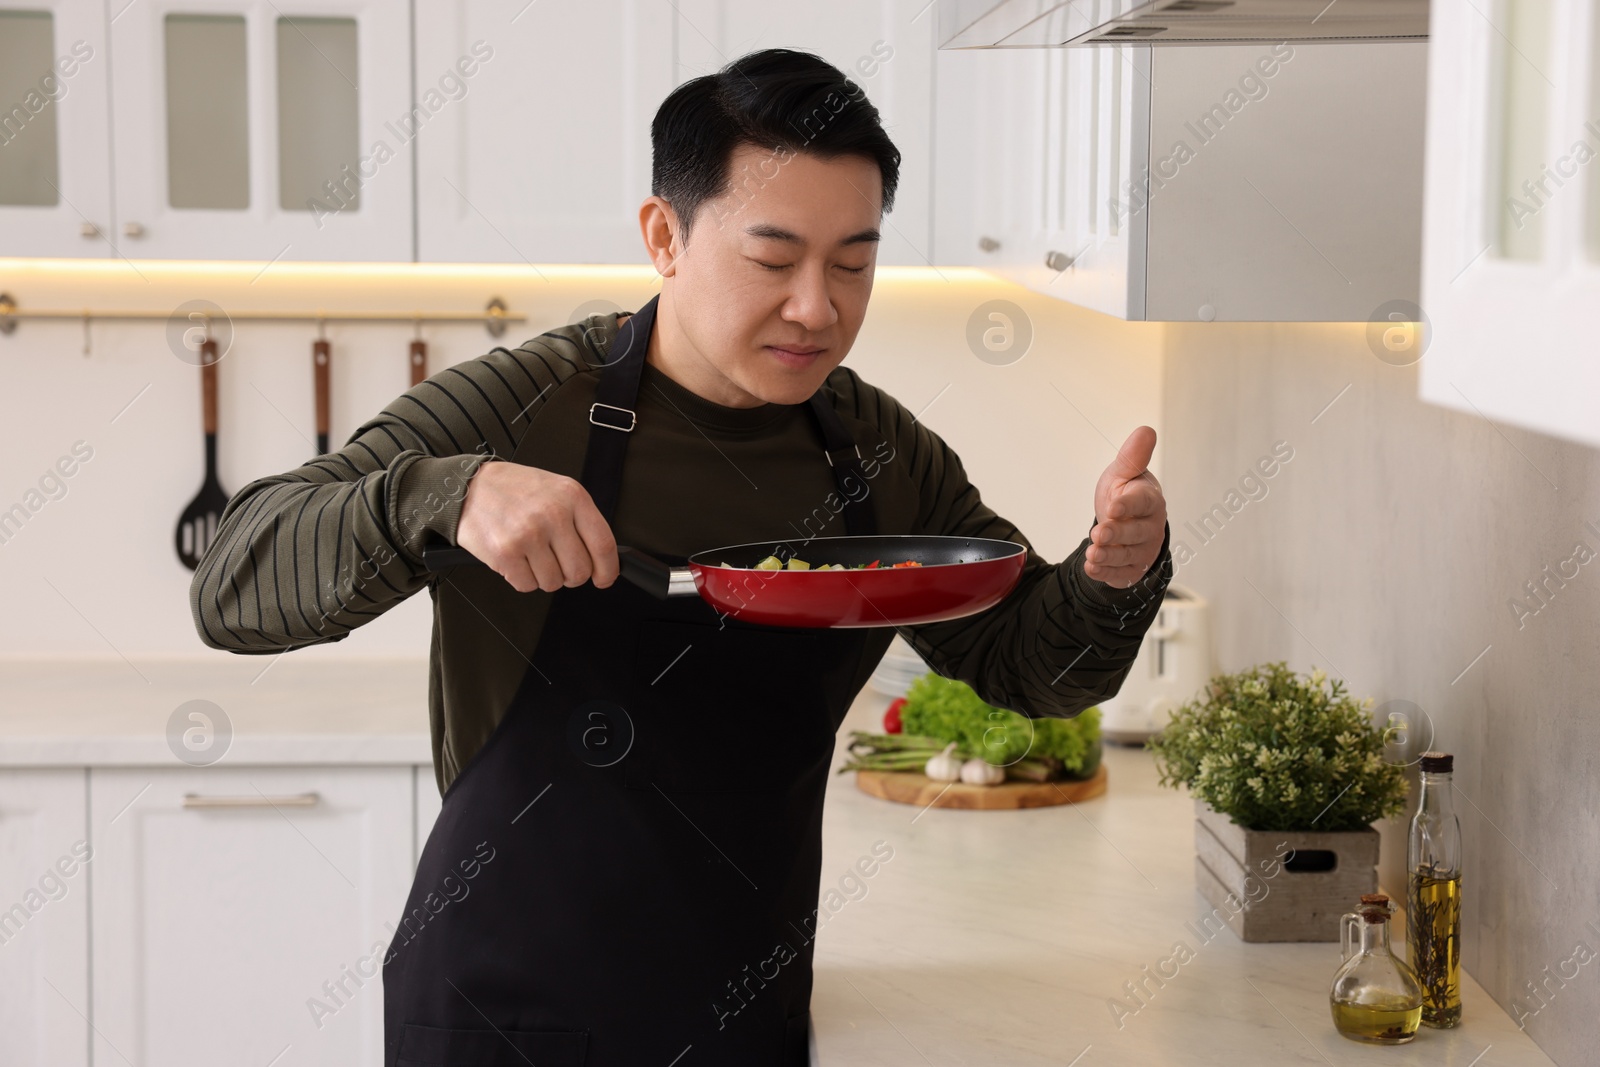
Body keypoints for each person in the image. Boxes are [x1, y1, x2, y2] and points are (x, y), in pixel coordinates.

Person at [191, 47, 1171, 1067]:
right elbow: (231, 584)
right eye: (772, 257)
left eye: (852, 261)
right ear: (665, 235)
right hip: (500, 1009)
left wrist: (1112, 569)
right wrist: (446, 493)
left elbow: (1028, 665)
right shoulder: (525, 404)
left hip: (743, 1004)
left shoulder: (874, 450)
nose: (816, 307)